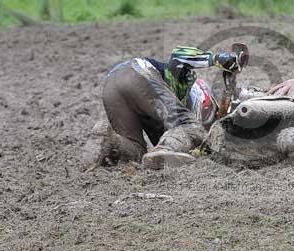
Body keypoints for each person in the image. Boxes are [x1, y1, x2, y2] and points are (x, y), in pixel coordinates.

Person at [86, 47, 243, 170]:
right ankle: (165, 146)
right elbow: (179, 55)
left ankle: (107, 138)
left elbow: (160, 153)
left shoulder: (166, 116)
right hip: (137, 72)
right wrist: (216, 59)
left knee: (136, 151)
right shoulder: (184, 82)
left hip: (111, 87)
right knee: (189, 126)